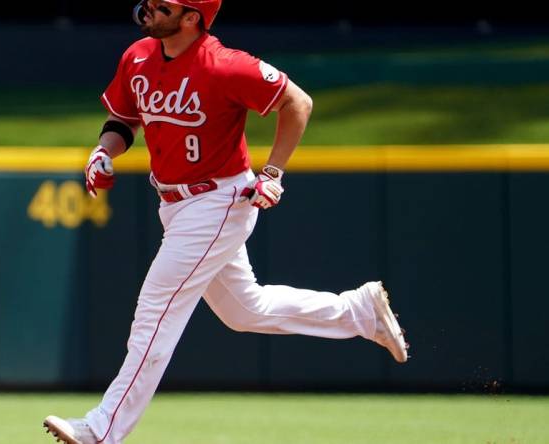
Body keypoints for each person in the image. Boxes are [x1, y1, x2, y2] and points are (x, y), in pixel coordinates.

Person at [44, 1, 409, 442]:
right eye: (150, 3)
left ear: (192, 17)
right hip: (175, 205)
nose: (150, 12)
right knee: (244, 310)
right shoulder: (138, 56)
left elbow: (298, 102)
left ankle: (103, 428)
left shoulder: (225, 65)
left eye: (163, 7)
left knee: (155, 310)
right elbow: (123, 119)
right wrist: (103, 151)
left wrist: (273, 172)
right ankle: (358, 311)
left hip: (218, 200)